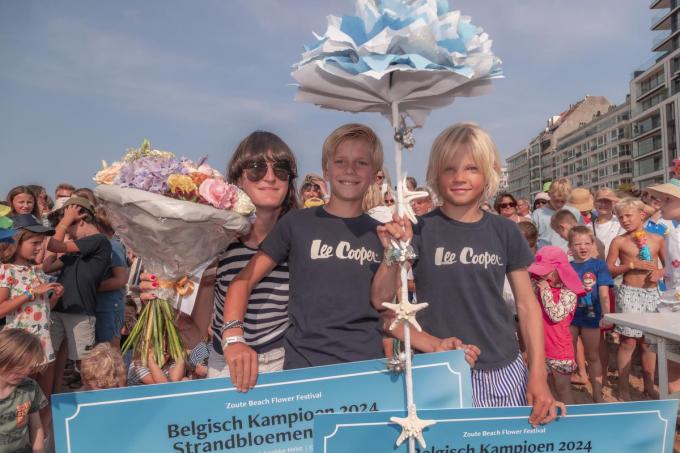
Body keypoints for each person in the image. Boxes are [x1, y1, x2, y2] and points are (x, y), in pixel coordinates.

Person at [224, 124, 473, 393]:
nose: (350, 170)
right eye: (340, 161)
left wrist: (435, 345)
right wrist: (233, 337)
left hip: (366, 373)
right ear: (325, 169)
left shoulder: (380, 234)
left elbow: (386, 312)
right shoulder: (296, 224)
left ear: (375, 174)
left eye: (361, 163)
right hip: (305, 373)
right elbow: (242, 281)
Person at [373, 123, 561, 426]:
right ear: (435, 174)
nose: (460, 177)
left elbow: (527, 307)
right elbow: (382, 304)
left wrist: (538, 375)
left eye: (471, 168)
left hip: (504, 368)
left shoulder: (505, 230)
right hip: (439, 369)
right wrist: (394, 252)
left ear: (488, 173)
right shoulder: (418, 230)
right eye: (450, 169)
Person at [42, 197, 112, 392]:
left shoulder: (98, 241)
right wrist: (62, 229)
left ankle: (91, 404)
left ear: (80, 220)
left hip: (81, 312)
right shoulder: (77, 248)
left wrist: (65, 222)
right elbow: (48, 266)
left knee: (85, 364)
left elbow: (55, 246)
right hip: (59, 309)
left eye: (69, 226)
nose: (68, 234)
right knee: (48, 359)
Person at [607, 197, 665, 400]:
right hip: (629, 293)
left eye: (628, 215)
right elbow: (609, 270)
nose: (624, 220)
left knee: (649, 343)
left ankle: (648, 385)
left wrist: (660, 272)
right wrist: (631, 266)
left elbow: (670, 267)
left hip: (652, 294)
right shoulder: (619, 241)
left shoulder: (657, 239)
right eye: (620, 216)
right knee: (628, 342)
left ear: (641, 215)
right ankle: (623, 387)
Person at [0, 215, 63, 391]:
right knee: (18, 392)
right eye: (34, 243)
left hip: (43, 341)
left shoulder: (36, 271)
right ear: (16, 242)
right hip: (20, 345)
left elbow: (42, 310)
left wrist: (55, 297)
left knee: (42, 393)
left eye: (41, 243)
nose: (39, 248)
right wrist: (30, 293)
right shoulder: (7, 271)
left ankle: (42, 420)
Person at [528, 246, 583, 405]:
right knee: (547, 389)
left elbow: (555, 315)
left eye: (546, 271)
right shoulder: (539, 284)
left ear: (560, 270)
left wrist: (545, 292)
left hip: (559, 349)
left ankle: (570, 424)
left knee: (563, 388)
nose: (541, 275)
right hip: (540, 347)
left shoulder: (569, 292)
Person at [642, 177, 680, 397]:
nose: (660, 203)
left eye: (667, 199)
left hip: (674, 313)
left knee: (673, 378)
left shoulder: (674, 236)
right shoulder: (671, 234)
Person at [568, 226, 613, 403]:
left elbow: (603, 293)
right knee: (568, 356)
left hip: (592, 316)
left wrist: (606, 315)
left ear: (593, 244)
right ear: (570, 246)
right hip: (570, 317)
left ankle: (597, 392)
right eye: (577, 244)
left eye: (587, 243)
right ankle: (567, 392)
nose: (582, 247)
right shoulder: (567, 266)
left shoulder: (598, 265)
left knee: (593, 355)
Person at [0, 328, 48, 453]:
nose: (24, 372)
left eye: (30, 367)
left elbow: (36, 426)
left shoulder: (29, 387)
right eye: (18, 365)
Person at [532, 179, 582, 249]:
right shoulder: (537, 214)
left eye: (563, 201)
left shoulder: (574, 212)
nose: (559, 204)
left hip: (570, 257)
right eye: (556, 200)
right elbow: (532, 240)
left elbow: (582, 235)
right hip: (546, 257)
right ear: (549, 194)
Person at [591, 188, 624, 259]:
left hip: (619, 268)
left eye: (607, 201)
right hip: (598, 269)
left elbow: (644, 210)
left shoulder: (622, 222)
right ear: (594, 203)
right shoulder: (588, 227)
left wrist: (618, 200)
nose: (603, 204)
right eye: (600, 201)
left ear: (614, 202)